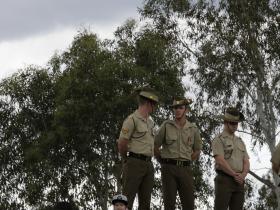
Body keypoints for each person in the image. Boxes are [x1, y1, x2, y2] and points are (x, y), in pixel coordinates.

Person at [154, 97, 202, 210]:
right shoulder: (166, 125)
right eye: (175, 108)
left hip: (185, 169)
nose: (178, 110)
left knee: (189, 204)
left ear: (186, 110)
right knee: (169, 204)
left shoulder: (193, 128)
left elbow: (197, 150)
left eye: (181, 108)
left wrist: (188, 160)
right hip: (168, 168)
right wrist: (162, 160)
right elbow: (154, 145)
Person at [117, 87, 159, 210]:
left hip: (148, 164)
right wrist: (126, 159)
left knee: (145, 203)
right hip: (134, 162)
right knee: (126, 200)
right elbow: (122, 143)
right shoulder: (132, 120)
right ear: (147, 103)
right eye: (154, 104)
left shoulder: (150, 123)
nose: (155, 107)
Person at [212, 107, 250, 210]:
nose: (235, 126)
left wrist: (242, 175)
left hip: (239, 181)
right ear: (225, 122)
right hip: (225, 179)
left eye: (236, 123)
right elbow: (220, 161)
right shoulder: (218, 139)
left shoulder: (240, 141)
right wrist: (234, 174)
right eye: (232, 123)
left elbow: (246, 162)